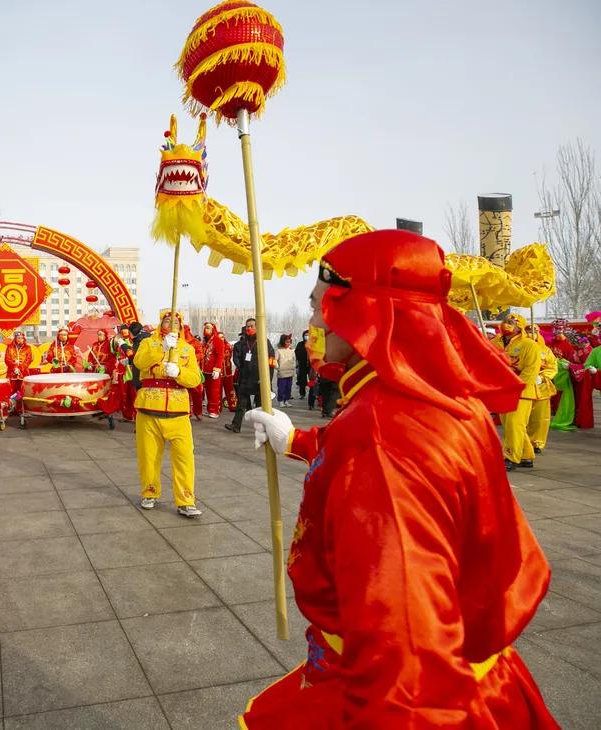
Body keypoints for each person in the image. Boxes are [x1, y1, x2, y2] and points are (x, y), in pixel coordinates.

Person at [239, 229, 557, 728]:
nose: (314, 321)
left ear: (364, 311)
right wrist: (295, 440)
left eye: (321, 305)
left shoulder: (381, 436)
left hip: (413, 696)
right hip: (479, 679)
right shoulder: (433, 399)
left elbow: (409, 668)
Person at [132, 311, 202, 518]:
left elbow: (195, 379)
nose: (172, 324)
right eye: (167, 320)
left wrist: (179, 373)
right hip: (149, 408)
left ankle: (186, 500)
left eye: (176, 321)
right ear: (160, 322)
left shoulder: (187, 348)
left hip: (178, 411)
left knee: (184, 458)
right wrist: (161, 349)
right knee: (148, 457)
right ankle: (149, 492)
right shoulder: (147, 343)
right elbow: (139, 362)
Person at [492, 313, 541, 470]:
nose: (506, 324)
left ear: (519, 327)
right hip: (502, 391)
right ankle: (526, 455)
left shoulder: (530, 345)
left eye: (511, 322)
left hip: (521, 392)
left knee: (514, 424)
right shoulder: (494, 343)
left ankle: (510, 457)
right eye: (505, 321)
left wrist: (515, 385)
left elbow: (531, 370)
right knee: (511, 426)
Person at [225, 318, 273, 432]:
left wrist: (268, 379)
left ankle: (263, 428)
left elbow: (271, 361)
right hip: (245, 379)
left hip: (259, 379)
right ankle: (236, 425)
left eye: (252, 326)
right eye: (247, 326)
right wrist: (241, 368)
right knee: (241, 404)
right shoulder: (241, 343)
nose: (249, 328)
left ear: (257, 327)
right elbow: (236, 359)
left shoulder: (264, 342)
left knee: (260, 406)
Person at [524, 325, 558, 455]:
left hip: (541, 388)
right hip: (524, 387)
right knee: (522, 418)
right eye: (528, 331)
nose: (531, 334)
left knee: (540, 418)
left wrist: (542, 377)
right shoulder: (519, 348)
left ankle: (536, 442)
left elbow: (552, 367)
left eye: (534, 331)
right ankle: (523, 441)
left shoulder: (546, 351)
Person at [201, 322, 227, 418]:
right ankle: (210, 409)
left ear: (213, 329)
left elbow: (220, 355)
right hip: (205, 370)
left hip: (213, 370)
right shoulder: (205, 341)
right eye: (205, 328)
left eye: (208, 328)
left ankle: (215, 411)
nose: (206, 330)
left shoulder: (217, 340)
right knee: (208, 391)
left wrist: (217, 369)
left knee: (214, 391)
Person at [183, 323, 205, 421]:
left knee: (197, 392)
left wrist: (189, 358)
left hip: (193, 369)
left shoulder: (195, 342)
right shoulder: (178, 342)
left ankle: (198, 412)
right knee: (184, 392)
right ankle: (187, 412)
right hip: (182, 370)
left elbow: (201, 354)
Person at [4, 330, 34, 395]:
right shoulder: (10, 347)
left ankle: (21, 401)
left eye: (21, 338)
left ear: (24, 339)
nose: (20, 339)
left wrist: (20, 368)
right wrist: (14, 367)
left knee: (23, 391)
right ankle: (13, 401)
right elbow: (7, 359)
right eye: (18, 338)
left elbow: (29, 360)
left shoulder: (28, 348)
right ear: (15, 338)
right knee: (11, 392)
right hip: (12, 373)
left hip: (23, 373)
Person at [275, 333, 297, 407]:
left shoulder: (292, 350)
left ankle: (286, 400)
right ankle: (280, 401)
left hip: (290, 372)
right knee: (281, 388)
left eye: (289, 342)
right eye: (287, 342)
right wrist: (278, 368)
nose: (288, 343)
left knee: (288, 388)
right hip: (282, 373)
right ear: (283, 342)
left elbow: (294, 360)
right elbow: (275, 361)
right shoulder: (278, 350)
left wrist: (294, 366)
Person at [294, 329, 310, 400]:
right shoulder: (300, 344)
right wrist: (298, 361)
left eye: (308, 335)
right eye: (305, 335)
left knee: (312, 380)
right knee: (302, 380)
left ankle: (313, 394)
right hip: (302, 364)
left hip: (311, 365)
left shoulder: (314, 343)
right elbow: (296, 353)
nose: (307, 336)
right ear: (303, 336)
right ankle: (302, 394)